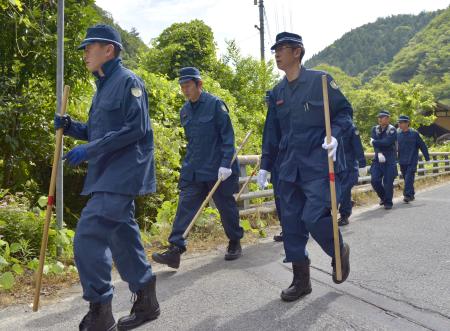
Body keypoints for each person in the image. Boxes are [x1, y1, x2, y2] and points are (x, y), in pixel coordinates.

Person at [54, 24, 159, 331]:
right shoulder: (102, 88)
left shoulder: (128, 81)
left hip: (124, 172)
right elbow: (99, 131)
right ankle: (147, 301)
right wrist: (72, 127)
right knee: (121, 235)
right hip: (107, 173)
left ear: (108, 50)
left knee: (89, 233)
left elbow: (135, 129)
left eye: (90, 47)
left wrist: (90, 149)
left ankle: (101, 311)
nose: (85, 53)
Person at [257, 32, 353, 302]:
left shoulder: (320, 81)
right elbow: (271, 133)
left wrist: (334, 134)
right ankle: (302, 280)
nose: (276, 54)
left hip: (317, 163)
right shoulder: (277, 92)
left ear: (297, 52)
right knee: (291, 224)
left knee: (313, 217)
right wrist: (265, 165)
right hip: (287, 167)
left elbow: (345, 112)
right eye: (275, 49)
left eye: (282, 49)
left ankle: (338, 250)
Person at [152, 67, 244, 269]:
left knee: (226, 207)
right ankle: (175, 249)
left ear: (199, 84)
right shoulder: (184, 111)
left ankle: (235, 241)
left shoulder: (215, 105)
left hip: (218, 168)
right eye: (182, 86)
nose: (185, 90)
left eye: (188, 85)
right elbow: (192, 142)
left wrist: (225, 164)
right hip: (194, 169)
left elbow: (228, 138)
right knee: (185, 207)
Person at [259, 90, 283, 242]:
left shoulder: (284, 113)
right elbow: (269, 139)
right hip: (277, 166)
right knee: (280, 199)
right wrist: (265, 166)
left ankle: (296, 228)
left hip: (291, 162)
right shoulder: (271, 117)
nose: (268, 104)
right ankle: (286, 228)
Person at [337, 125, 367, 226]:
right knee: (338, 191)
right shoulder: (328, 125)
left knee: (344, 189)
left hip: (349, 165)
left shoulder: (350, 128)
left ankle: (344, 215)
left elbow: (358, 147)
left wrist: (362, 164)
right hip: (335, 165)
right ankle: (348, 204)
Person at [397, 115, 430, 202]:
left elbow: (422, 146)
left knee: (408, 178)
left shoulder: (414, 134)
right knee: (407, 179)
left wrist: (427, 158)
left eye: (401, 122)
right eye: (399, 122)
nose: (399, 124)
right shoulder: (397, 135)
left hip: (412, 161)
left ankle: (407, 196)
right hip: (402, 161)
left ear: (407, 123)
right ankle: (411, 194)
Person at [370, 110, 398, 210]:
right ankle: (383, 197)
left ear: (387, 118)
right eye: (379, 117)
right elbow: (374, 143)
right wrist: (379, 152)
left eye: (382, 117)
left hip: (390, 158)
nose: (380, 119)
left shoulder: (392, 130)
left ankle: (388, 202)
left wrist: (376, 142)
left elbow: (387, 142)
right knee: (374, 180)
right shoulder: (375, 129)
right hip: (378, 157)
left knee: (388, 181)